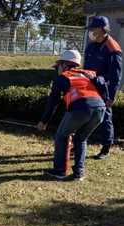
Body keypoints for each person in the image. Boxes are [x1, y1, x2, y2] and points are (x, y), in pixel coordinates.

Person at [37, 50, 107, 181]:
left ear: (65, 64)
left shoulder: (63, 77)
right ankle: (79, 173)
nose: (57, 69)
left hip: (79, 109)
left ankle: (59, 170)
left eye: (58, 66)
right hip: (100, 109)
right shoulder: (90, 74)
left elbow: (52, 103)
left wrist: (43, 121)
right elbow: (103, 88)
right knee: (81, 139)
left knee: (61, 136)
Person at [84, 16, 122, 159]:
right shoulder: (92, 44)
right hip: (88, 86)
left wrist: (112, 96)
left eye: (93, 29)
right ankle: (79, 143)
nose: (91, 31)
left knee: (105, 117)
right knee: (83, 114)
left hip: (103, 88)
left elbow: (115, 75)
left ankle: (105, 148)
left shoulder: (113, 48)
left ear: (100, 30)